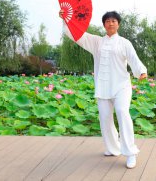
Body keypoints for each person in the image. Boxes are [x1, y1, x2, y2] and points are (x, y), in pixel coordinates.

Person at [59, 10, 147, 169]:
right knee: (105, 117)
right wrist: (66, 20)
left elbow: (134, 58)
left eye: (114, 21)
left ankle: (130, 153)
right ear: (104, 24)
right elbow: (77, 35)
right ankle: (113, 149)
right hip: (103, 86)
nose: (111, 23)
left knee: (122, 112)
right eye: (107, 21)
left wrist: (141, 71)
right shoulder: (96, 41)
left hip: (121, 86)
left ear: (118, 24)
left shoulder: (124, 43)